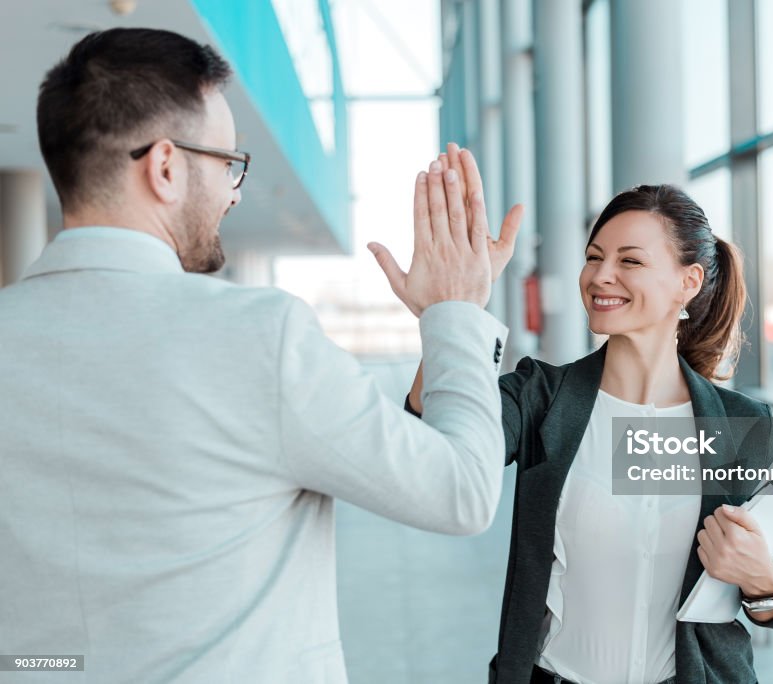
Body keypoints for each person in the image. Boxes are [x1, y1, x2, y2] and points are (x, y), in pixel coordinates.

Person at [0, 28, 511, 683]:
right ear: (164, 166)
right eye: (227, 163)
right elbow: (461, 493)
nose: (235, 191)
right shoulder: (258, 337)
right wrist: (456, 312)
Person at [398, 149, 773, 684]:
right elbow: (432, 451)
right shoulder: (540, 395)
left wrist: (764, 579)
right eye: (594, 257)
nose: (601, 276)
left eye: (629, 261)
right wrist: (450, 313)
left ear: (689, 282)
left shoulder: (745, 424)